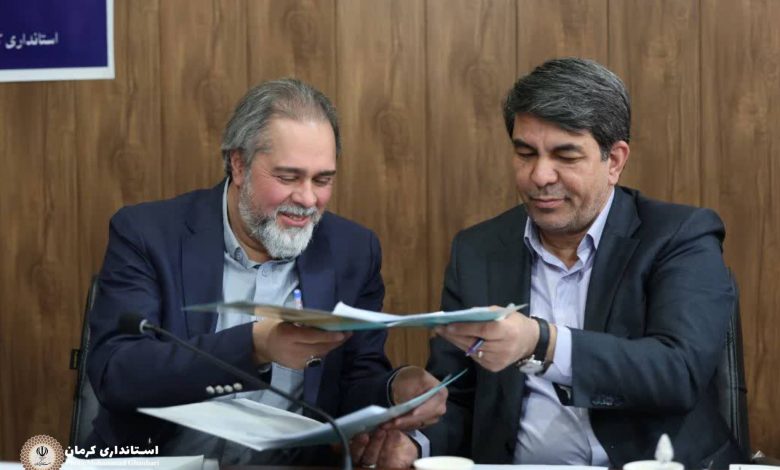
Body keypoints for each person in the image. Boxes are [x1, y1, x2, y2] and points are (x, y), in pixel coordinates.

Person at [398, 58, 743, 468]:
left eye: (565, 156)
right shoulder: (478, 251)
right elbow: (457, 397)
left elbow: (677, 371)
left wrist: (542, 343)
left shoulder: (679, 236)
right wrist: (417, 444)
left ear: (614, 161)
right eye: (525, 153)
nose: (540, 176)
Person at [86, 78, 443, 466]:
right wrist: (253, 346)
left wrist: (394, 389)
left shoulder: (352, 251)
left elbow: (354, 382)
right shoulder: (147, 234)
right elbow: (117, 374)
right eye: (288, 177)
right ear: (239, 165)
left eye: (322, 180)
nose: (307, 199)